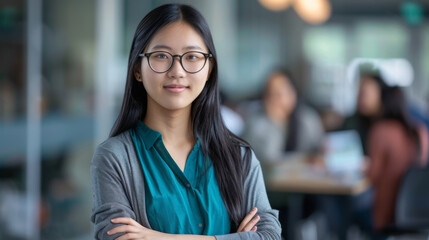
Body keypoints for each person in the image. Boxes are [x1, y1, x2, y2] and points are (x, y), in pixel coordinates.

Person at [90, 4, 281, 240]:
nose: (177, 71)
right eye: (161, 56)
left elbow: (269, 236)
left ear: (209, 68)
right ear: (137, 69)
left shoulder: (239, 157)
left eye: (192, 57)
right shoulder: (114, 157)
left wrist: (158, 237)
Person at [366, 85, 428, 231]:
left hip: (388, 214)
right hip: (421, 212)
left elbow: (372, 175)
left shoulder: (381, 130)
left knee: (343, 206)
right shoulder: (420, 131)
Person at [241, 69, 324, 163]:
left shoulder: (308, 118)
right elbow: (268, 159)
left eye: (280, 92)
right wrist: (274, 122)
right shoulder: (256, 123)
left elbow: (318, 152)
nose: (276, 98)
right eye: (271, 93)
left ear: (293, 93)